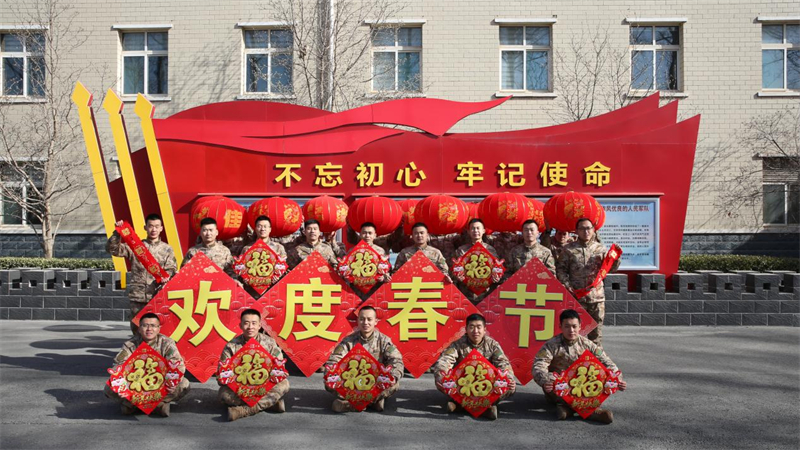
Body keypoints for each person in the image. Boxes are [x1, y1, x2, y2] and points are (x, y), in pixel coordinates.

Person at [532, 309, 627, 424]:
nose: (571, 330)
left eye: (574, 326)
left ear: (580, 327)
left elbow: (608, 363)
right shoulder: (551, 345)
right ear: (560, 327)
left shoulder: (588, 344)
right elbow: (539, 365)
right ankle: (591, 411)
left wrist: (618, 380)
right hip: (562, 388)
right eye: (567, 326)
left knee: (604, 376)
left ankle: (568, 409)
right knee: (553, 379)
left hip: (583, 385)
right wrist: (545, 381)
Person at [432, 313, 516, 420]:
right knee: (444, 383)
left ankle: (460, 406)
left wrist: (509, 379)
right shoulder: (458, 344)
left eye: (478, 327)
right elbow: (444, 361)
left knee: (509, 387)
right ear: (466, 329)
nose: (475, 331)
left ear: (484, 330)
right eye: (471, 327)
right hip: (464, 384)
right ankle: (484, 409)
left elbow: (504, 364)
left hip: (485, 386)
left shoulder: (492, 345)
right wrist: (441, 378)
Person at [104, 313, 190, 416]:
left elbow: (177, 365)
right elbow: (118, 365)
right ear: (139, 329)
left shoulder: (167, 343)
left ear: (159, 329)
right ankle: (153, 406)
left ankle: (140, 406)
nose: (149, 329)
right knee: (109, 387)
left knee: (184, 384)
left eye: (153, 326)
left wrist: (172, 382)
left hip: (159, 383)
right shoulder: (130, 345)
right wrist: (121, 384)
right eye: (145, 325)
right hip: (136, 385)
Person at [106, 213, 177, 334]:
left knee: (157, 328)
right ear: (145, 227)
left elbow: (172, 268)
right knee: (137, 327)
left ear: (161, 228)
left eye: (156, 226)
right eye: (150, 226)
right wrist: (117, 233)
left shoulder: (167, 249)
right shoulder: (135, 246)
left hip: (157, 295)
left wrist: (166, 277)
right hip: (138, 295)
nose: (153, 229)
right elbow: (112, 249)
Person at [323, 306, 404, 413]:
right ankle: (373, 403)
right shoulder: (348, 341)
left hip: (375, 382)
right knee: (329, 381)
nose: (365, 322)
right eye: (362, 319)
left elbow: (396, 360)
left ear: (375, 321)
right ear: (358, 321)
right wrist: (330, 374)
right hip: (352, 382)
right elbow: (333, 360)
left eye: (369, 319)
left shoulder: (384, 340)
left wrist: (394, 376)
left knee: (394, 384)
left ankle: (352, 404)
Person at [556, 218, 620, 346]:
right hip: (576, 297)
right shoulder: (568, 249)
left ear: (593, 230)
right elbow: (560, 270)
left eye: (588, 228)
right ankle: (575, 357)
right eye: (582, 228)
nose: (586, 231)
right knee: (574, 333)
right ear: (576, 231)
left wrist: (616, 258)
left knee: (596, 335)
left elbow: (611, 269)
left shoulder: (601, 249)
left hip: (596, 298)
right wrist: (568, 286)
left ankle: (594, 358)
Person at [217, 309, 290, 421]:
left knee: (284, 384)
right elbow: (221, 376)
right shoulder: (231, 346)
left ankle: (244, 410)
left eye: (254, 323)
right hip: (242, 388)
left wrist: (276, 374)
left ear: (259, 325)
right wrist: (227, 378)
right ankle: (270, 404)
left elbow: (280, 369)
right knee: (223, 395)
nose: (250, 327)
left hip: (263, 386)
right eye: (246, 323)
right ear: (240, 325)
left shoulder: (270, 343)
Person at [451, 218, 501, 303]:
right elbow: (453, 270)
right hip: (466, 294)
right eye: (473, 228)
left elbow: (497, 269)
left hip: (486, 295)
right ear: (468, 231)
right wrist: (457, 276)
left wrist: (496, 277)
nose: (475, 231)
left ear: (483, 231)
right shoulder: (461, 250)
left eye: (478, 228)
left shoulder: (490, 250)